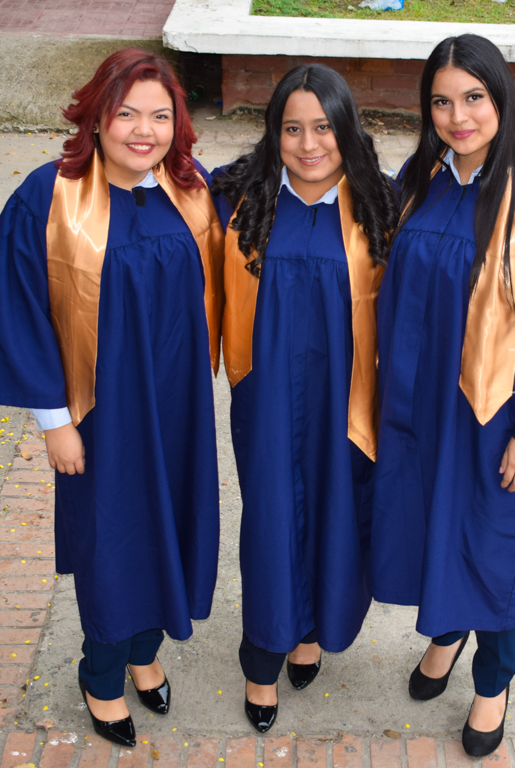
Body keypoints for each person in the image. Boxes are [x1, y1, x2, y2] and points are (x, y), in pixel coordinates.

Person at [0, 49, 224, 747]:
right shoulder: (48, 196)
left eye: (161, 115)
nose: (143, 131)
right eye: (126, 114)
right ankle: (103, 670)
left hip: (176, 405)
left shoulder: (192, 189)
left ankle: (146, 655)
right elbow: (17, 309)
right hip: (99, 411)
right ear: (97, 116)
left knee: (172, 525)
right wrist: (54, 422)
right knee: (114, 538)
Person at [370, 34, 515, 757]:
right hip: (417, 404)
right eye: (441, 101)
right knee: (427, 524)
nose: (458, 115)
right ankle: (444, 634)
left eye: (473, 97)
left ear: (502, 97)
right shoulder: (423, 178)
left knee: (489, 542)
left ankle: (493, 678)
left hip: (493, 413)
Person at [211, 63, 398, 733]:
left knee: (339, 513)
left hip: (350, 402)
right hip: (264, 400)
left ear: (346, 129)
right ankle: (262, 661)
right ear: (272, 134)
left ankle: (312, 630)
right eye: (292, 129)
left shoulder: (384, 203)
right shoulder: (234, 198)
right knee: (270, 520)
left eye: (323, 127)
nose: (309, 144)